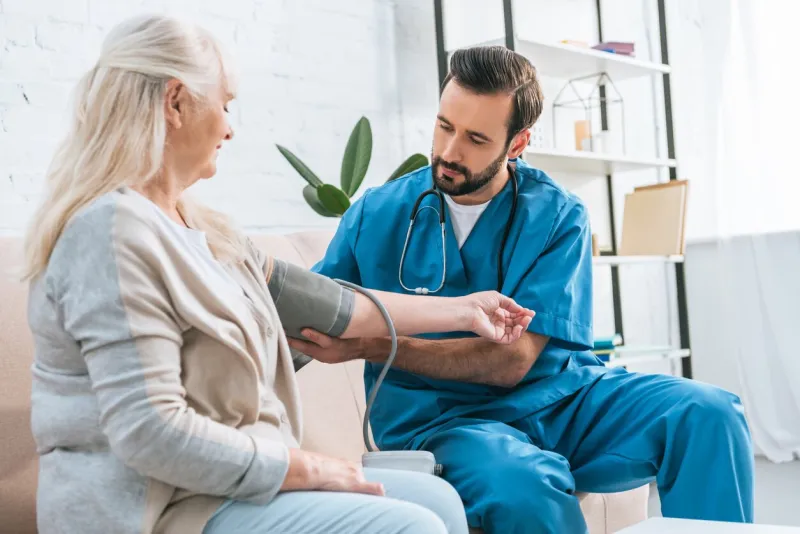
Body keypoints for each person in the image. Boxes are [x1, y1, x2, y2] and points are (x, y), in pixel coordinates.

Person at [21, 16, 538, 534]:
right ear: (176, 103)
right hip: (157, 506)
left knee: (438, 501)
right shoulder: (109, 232)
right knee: (412, 526)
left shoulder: (208, 230)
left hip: (226, 486)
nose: (230, 126)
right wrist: (309, 467)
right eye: (224, 104)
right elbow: (152, 432)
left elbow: (332, 305)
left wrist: (467, 309)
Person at [290, 46, 756, 533]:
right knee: (524, 483)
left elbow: (511, 361)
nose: (449, 153)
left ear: (517, 143)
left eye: (475, 138)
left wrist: (374, 346)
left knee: (711, 414)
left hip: (564, 399)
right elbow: (312, 308)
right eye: (444, 126)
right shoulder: (376, 214)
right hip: (445, 421)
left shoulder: (557, 215)